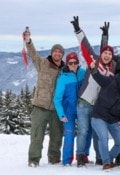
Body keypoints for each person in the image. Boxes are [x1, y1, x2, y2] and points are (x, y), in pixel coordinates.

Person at [71, 16, 114, 166]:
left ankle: (100, 157)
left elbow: (106, 50)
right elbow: (86, 46)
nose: (107, 55)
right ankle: (81, 156)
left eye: (110, 54)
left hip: (99, 107)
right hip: (84, 103)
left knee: (97, 133)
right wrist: (78, 30)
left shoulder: (113, 69)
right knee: (83, 131)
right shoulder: (93, 61)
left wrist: (105, 37)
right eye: (105, 53)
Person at [23, 28, 65, 167]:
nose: (57, 53)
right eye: (55, 51)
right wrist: (28, 41)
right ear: (52, 53)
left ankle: (54, 158)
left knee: (57, 136)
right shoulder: (42, 63)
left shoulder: (65, 70)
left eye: (60, 52)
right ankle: (34, 159)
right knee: (36, 135)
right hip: (40, 106)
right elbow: (33, 54)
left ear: (62, 55)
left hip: (56, 109)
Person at [90, 64, 120, 171]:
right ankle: (106, 163)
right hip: (99, 115)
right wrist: (92, 68)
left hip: (114, 119)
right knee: (103, 138)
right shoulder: (111, 81)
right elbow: (97, 76)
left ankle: (108, 159)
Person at [53, 52, 86, 166]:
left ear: (78, 63)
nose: (73, 65)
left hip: (82, 108)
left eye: (75, 62)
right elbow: (57, 99)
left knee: (85, 132)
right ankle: (67, 160)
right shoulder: (63, 78)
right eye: (70, 63)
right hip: (68, 111)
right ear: (67, 64)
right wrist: (61, 114)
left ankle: (83, 156)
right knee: (69, 133)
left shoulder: (83, 73)